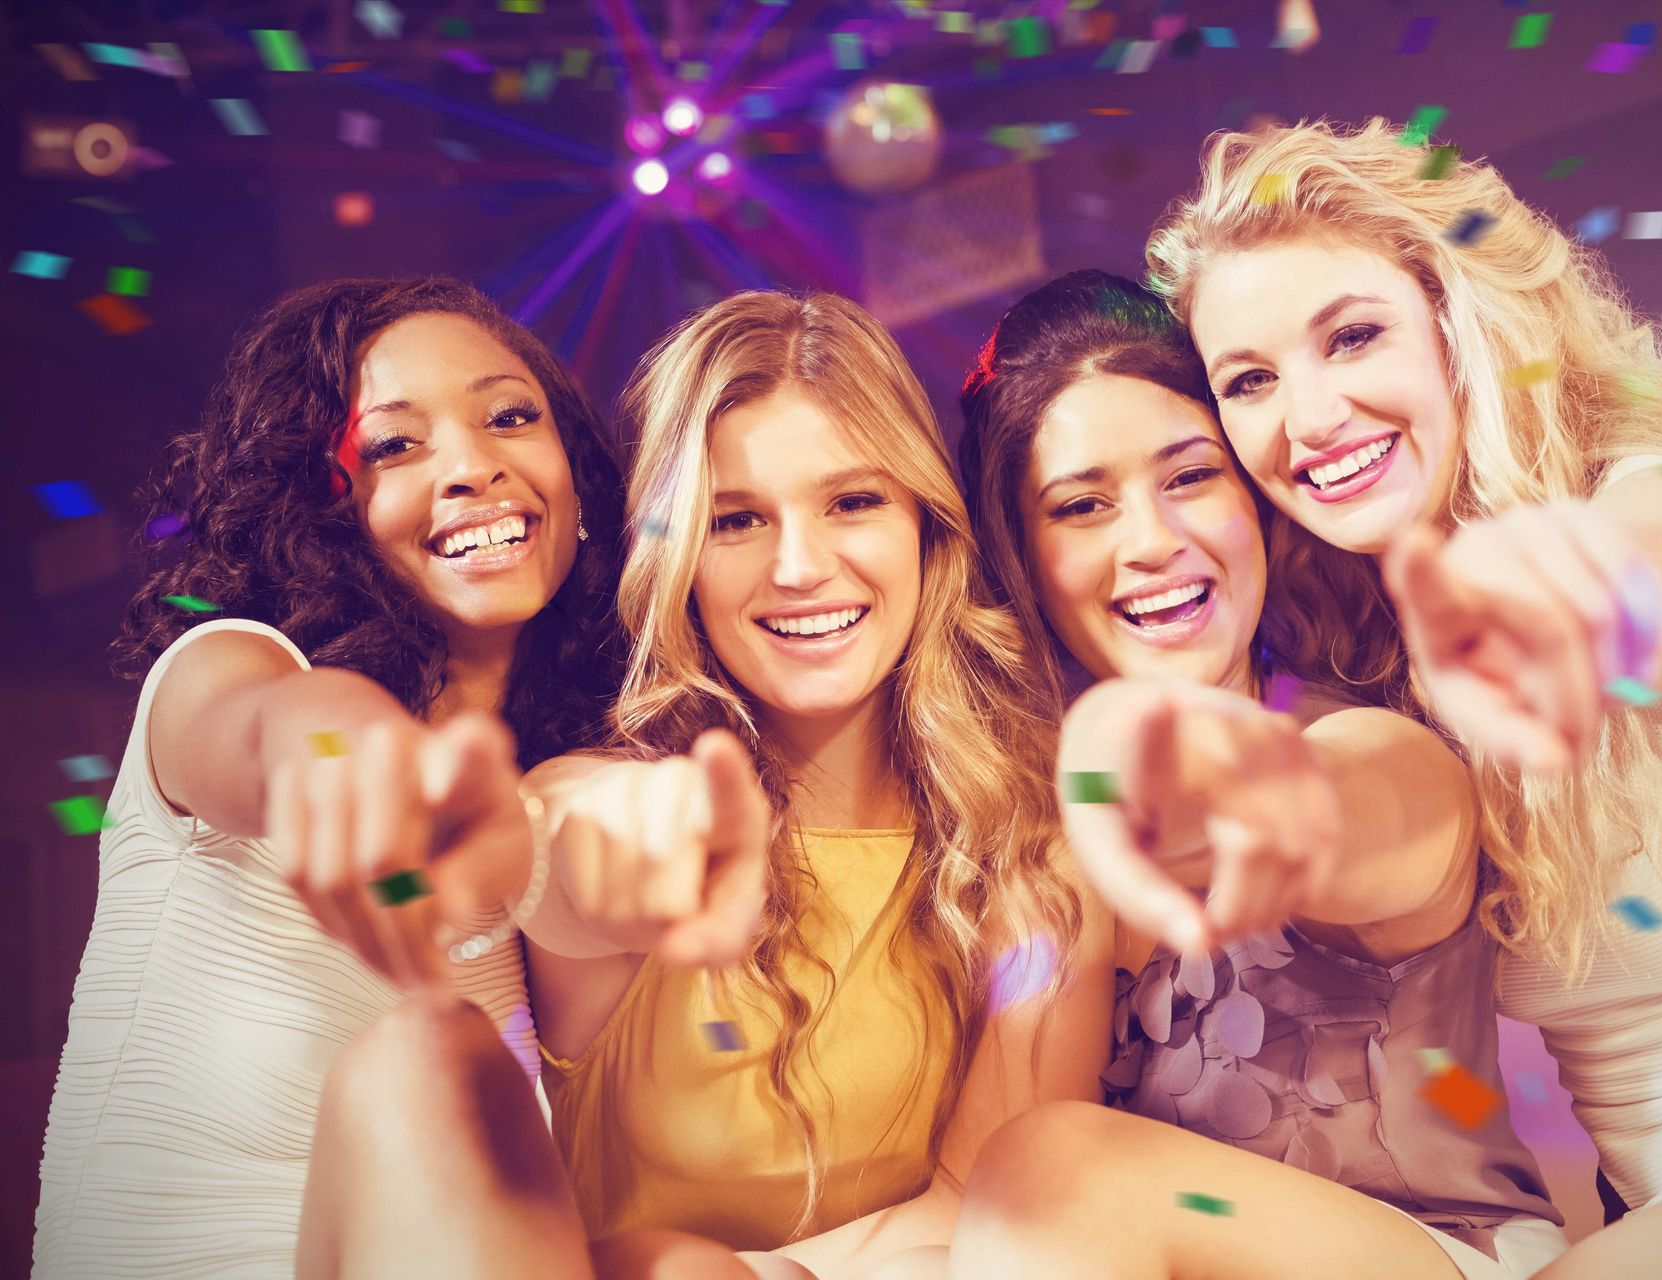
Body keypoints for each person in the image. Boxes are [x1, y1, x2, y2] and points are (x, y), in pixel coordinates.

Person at [1136, 117, 1662, 1276]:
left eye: (1352, 337)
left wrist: (1556, 614)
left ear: (1462, 327)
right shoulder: (1365, 668)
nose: (1305, 419)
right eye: (1250, 380)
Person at [295, 290, 1113, 1280]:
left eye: (854, 500)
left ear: (926, 527)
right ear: (678, 561)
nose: (801, 566)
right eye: (735, 520)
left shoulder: (1030, 850)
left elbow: (996, 1209)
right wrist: (617, 840)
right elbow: (574, 850)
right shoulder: (622, 795)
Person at [938, 269, 1564, 1280]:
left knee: (1061, 1165)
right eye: (1082, 504)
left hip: (1450, 1261)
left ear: (1255, 500)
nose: (1151, 541)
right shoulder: (1031, 846)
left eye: (1189, 476)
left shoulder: (1378, 751)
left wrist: (1209, 784)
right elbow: (970, 1190)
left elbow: (1329, 805)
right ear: (1023, 557)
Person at [32, 276, 629, 1279]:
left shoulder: (542, 796)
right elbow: (278, 729)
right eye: (395, 444)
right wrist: (343, 739)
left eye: (511, 417)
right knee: (434, 1060)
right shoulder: (227, 668)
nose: (475, 465)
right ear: (318, 504)